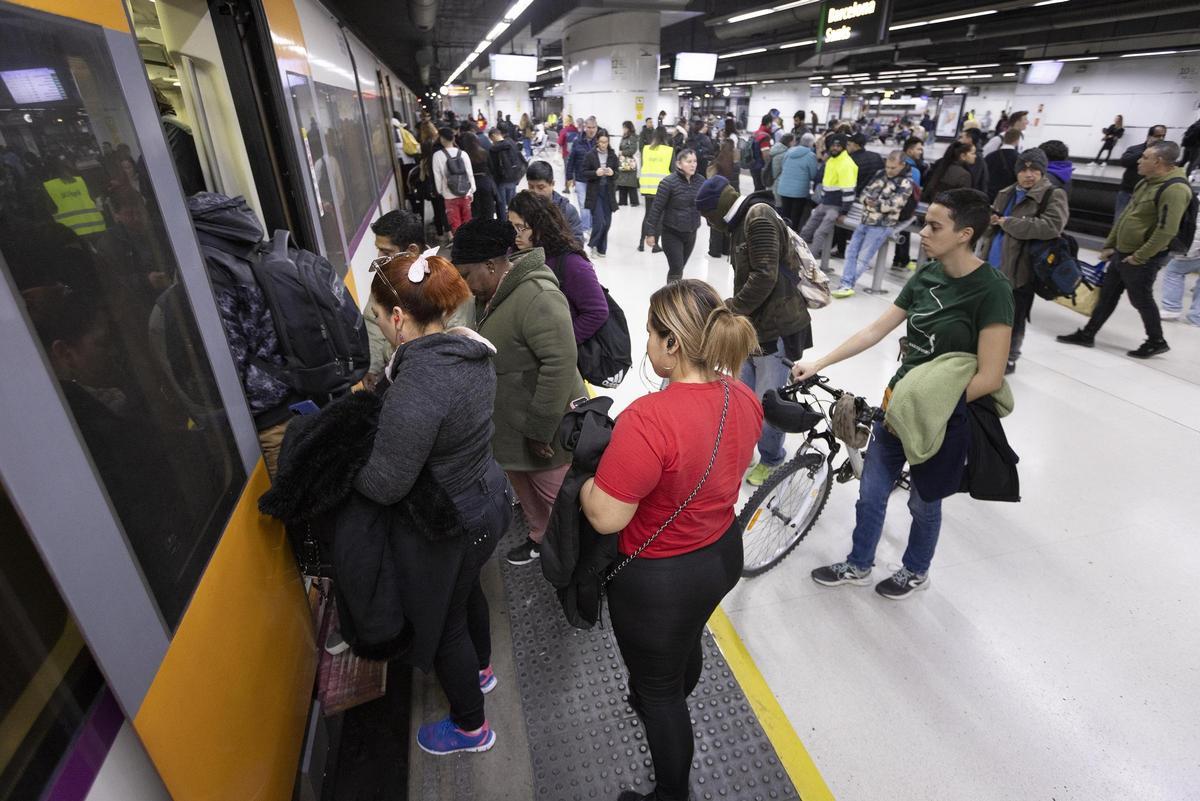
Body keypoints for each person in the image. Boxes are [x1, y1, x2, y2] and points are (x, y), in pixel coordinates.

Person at [578, 279, 762, 801]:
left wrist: (586, 481)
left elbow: (607, 518)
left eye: (652, 336)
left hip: (659, 576)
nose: (648, 345)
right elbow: (734, 464)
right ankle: (671, 680)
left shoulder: (647, 419)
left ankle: (670, 793)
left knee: (657, 695)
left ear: (673, 344)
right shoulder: (742, 396)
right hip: (720, 554)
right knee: (683, 645)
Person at [792, 188, 1014, 599]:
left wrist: (932, 408)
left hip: (943, 420)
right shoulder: (926, 275)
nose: (923, 233)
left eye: (934, 226)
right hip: (897, 407)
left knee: (924, 504)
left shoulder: (992, 290)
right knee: (871, 494)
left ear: (965, 233)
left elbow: (991, 376)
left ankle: (916, 569)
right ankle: (859, 564)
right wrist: (820, 363)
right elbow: (876, 330)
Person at [358, 249, 511, 757]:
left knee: (443, 627)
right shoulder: (470, 352)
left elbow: (386, 485)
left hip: (454, 522)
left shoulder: (418, 385)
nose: (379, 327)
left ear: (399, 318)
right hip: (489, 498)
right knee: (468, 595)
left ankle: (471, 728)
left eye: (379, 317)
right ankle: (483, 670)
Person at [450, 219, 585, 566]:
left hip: (543, 429)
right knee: (527, 493)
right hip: (511, 428)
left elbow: (560, 363)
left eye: (466, 275)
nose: (464, 286)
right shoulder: (492, 296)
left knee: (556, 499)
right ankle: (541, 539)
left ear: (492, 265)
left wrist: (541, 430)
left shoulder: (537, 296)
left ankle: (577, 559)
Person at [694, 175, 812, 486]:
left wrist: (730, 308)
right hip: (753, 328)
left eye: (708, 216)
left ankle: (772, 458)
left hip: (776, 330)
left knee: (768, 402)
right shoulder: (741, 221)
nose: (709, 223)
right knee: (741, 395)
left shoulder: (757, 217)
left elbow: (765, 276)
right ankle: (743, 451)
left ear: (717, 209)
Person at [1058, 141, 1190, 359]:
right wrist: (1110, 244)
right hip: (1123, 252)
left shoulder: (1175, 189)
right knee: (1108, 295)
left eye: (1144, 157)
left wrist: (1140, 256)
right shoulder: (1145, 182)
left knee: (1141, 299)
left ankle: (1156, 340)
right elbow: (1127, 216)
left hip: (1141, 258)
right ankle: (1088, 333)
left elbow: (1166, 231)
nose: (1139, 160)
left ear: (1158, 162)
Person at [976, 148, 1069, 373]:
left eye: (1035, 170)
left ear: (1042, 171)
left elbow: (1051, 227)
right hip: (993, 263)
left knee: (1014, 317)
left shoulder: (1052, 194)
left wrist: (1009, 223)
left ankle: (1009, 357)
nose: (1029, 174)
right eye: (1024, 169)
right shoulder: (1006, 192)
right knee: (987, 312)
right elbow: (992, 223)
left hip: (1021, 269)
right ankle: (983, 352)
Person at [507, 190, 609, 343]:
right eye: (512, 226)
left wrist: (561, 343)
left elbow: (597, 312)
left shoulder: (572, 263)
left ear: (540, 225)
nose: (516, 234)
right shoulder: (513, 254)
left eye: (521, 227)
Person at [832, 151, 916, 298]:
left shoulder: (906, 183)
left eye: (893, 168)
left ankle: (846, 284)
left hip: (882, 225)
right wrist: (873, 203)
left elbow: (893, 205)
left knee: (863, 258)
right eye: (888, 166)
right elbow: (864, 194)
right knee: (850, 253)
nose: (889, 170)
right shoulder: (880, 174)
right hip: (865, 220)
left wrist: (873, 203)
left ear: (902, 165)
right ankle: (846, 283)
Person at [366, 209, 428, 387]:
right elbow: (372, 321)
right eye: (379, 250)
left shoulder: (442, 281)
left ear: (412, 251)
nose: (379, 258)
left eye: (386, 251)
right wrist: (373, 366)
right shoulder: (385, 275)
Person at [644, 148, 702, 283]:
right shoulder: (668, 183)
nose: (693, 164)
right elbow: (656, 209)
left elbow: (706, 205)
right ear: (679, 164)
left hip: (691, 232)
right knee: (676, 269)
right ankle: (671, 300)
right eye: (689, 161)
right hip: (672, 233)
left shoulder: (700, 181)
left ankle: (673, 295)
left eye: (695, 161)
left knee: (680, 268)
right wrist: (650, 233)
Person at [801, 133, 857, 262]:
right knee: (806, 230)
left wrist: (843, 212)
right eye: (833, 145)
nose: (834, 148)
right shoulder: (832, 161)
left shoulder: (846, 164)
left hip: (836, 208)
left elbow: (849, 190)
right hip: (824, 203)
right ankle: (795, 256)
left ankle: (808, 263)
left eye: (838, 146)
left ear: (843, 147)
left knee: (819, 233)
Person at [1115, 125, 1168, 220]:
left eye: (1163, 136)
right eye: (1157, 136)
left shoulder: (1162, 154)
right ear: (1149, 136)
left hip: (1147, 195)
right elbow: (1124, 161)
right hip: (1128, 191)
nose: (1161, 139)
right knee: (1119, 219)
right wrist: (1146, 152)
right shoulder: (1135, 149)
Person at [1159, 201, 1200, 326]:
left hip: (1195, 249)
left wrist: (1187, 251)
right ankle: (1197, 317)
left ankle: (1171, 308)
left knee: (1174, 270)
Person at [582, 130, 620, 258]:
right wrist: (595, 173)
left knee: (607, 223)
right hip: (595, 192)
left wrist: (612, 173)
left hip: (608, 193)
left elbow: (617, 174)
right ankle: (591, 245)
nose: (604, 144)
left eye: (606, 142)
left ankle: (601, 248)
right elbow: (584, 173)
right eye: (601, 142)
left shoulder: (613, 155)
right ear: (597, 141)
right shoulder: (590, 155)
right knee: (599, 222)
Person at [525, 160, 583, 242]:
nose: (535, 192)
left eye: (541, 187)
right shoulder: (523, 208)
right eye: (531, 187)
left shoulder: (567, 211)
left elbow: (577, 242)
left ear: (552, 184)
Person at [432, 126, 475, 233]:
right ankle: (470, 244)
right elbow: (469, 173)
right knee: (468, 221)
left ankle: (460, 245)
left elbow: (438, 176)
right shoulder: (463, 154)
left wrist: (441, 191)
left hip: (449, 195)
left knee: (455, 223)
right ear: (453, 138)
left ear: (442, 139)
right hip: (465, 193)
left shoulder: (437, 156)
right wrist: (472, 191)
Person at [639, 127, 674, 253]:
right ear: (665, 136)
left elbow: (644, 166)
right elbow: (673, 169)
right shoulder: (669, 151)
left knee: (648, 215)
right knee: (659, 217)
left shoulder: (646, 149)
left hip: (647, 186)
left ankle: (641, 244)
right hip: (662, 188)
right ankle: (655, 246)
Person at [776, 135, 819, 231]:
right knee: (795, 217)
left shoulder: (789, 151)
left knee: (785, 215)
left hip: (784, 188)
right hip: (799, 192)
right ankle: (792, 238)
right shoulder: (811, 156)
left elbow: (783, 166)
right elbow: (813, 175)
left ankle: (782, 235)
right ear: (811, 143)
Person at [567, 116, 600, 233]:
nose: (591, 130)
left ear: (596, 128)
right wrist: (569, 177)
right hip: (581, 179)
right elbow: (571, 160)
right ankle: (586, 228)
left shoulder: (600, 141)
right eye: (589, 127)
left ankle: (589, 225)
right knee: (584, 205)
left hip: (595, 179)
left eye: (593, 127)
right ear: (585, 128)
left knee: (593, 204)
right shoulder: (577, 141)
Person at [458, 130, 496, 223]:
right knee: (488, 208)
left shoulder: (463, 155)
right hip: (485, 182)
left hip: (471, 184)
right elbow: (492, 168)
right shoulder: (483, 152)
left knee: (475, 210)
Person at [488, 127, 524, 220]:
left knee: (501, 205)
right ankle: (514, 222)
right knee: (512, 204)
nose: (492, 141)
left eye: (491, 139)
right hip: (513, 178)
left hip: (501, 181)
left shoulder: (493, 149)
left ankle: (503, 225)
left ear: (494, 136)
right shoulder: (511, 143)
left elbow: (492, 167)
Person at [985, 128, 1022, 201]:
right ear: (1017, 140)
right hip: (1007, 197)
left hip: (989, 195)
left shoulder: (990, 156)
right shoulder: (1019, 158)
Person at [847, 132, 884, 196]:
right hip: (873, 193)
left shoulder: (850, 160)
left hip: (856, 194)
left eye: (848, 144)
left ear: (855, 145)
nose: (846, 147)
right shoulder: (876, 156)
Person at [617, 121, 641, 207]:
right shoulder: (624, 137)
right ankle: (622, 201)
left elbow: (633, 150)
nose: (623, 129)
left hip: (630, 162)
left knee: (631, 183)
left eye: (625, 128)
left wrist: (622, 152)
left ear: (629, 128)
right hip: (623, 162)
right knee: (622, 182)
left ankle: (634, 201)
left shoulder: (632, 138)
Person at [750, 114, 774, 191]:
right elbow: (766, 155)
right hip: (760, 167)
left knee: (757, 188)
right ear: (769, 123)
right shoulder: (765, 136)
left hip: (752, 164)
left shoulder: (755, 133)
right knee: (761, 190)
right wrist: (769, 169)